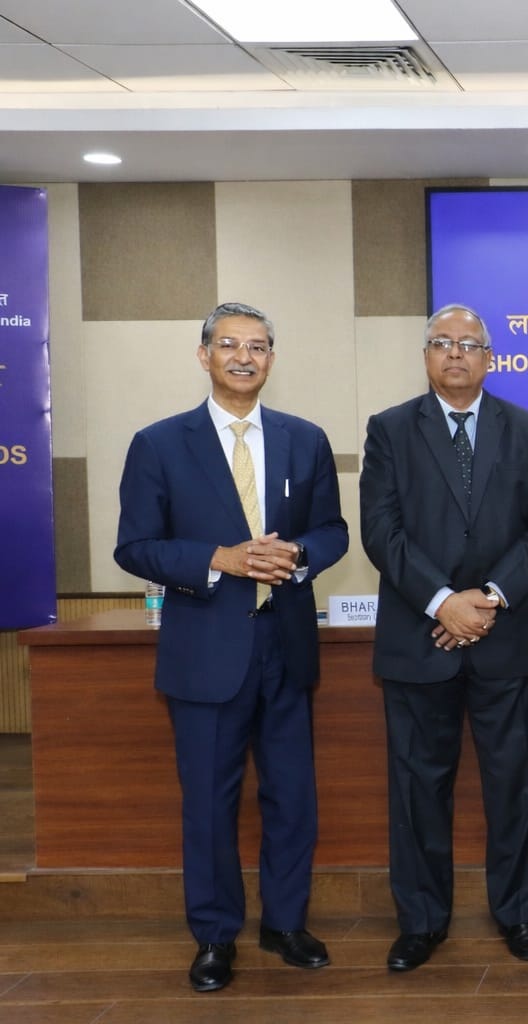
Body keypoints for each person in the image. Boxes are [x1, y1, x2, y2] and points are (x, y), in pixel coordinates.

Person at [115, 301, 349, 992]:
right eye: (229, 345)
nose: (244, 357)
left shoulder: (305, 439)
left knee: (292, 798)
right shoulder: (159, 443)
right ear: (204, 355)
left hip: (287, 646)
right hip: (205, 653)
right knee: (210, 806)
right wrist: (219, 557)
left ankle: (285, 923)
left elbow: (333, 531)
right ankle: (215, 936)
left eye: (258, 346)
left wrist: (297, 554)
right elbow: (135, 546)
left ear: (272, 358)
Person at [359, 303, 528, 972]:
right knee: (417, 790)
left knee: (516, 787)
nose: (456, 353)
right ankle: (421, 923)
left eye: (470, 344)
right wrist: (444, 603)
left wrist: (491, 598)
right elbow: (380, 530)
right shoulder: (390, 430)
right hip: (420, 639)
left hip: (506, 640)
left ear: (490, 358)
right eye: (443, 342)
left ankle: (519, 915)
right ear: (426, 356)